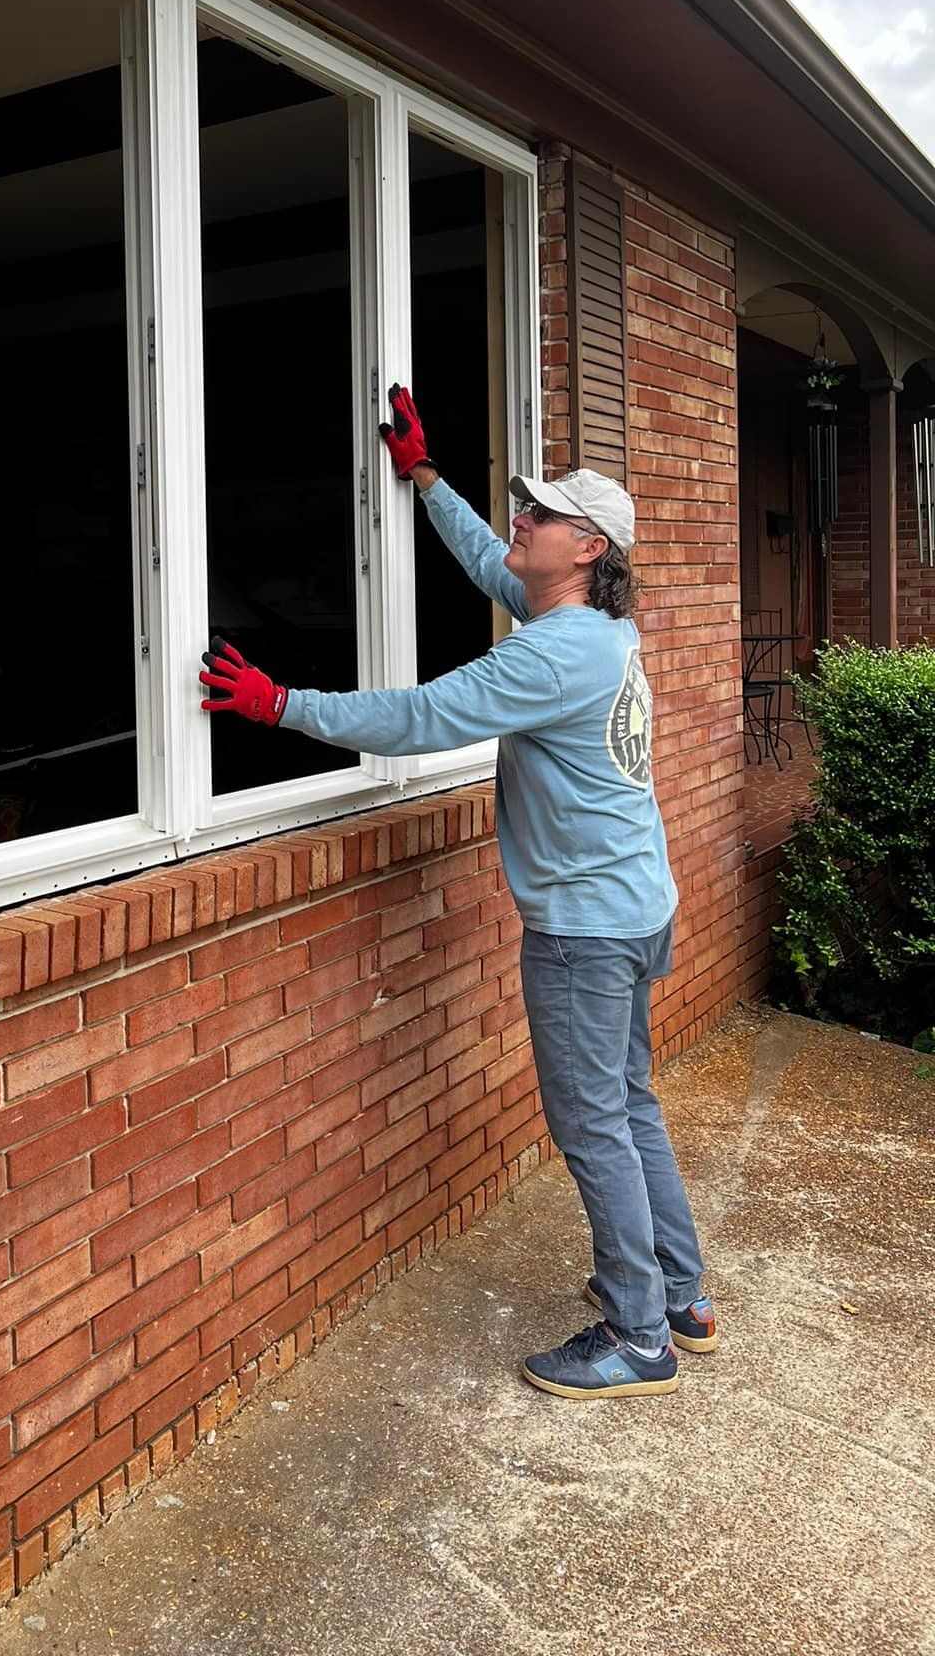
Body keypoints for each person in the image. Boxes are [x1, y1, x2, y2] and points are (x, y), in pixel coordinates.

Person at [199, 384, 714, 1400]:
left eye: (542, 512)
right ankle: (683, 1293)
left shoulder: (552, 652)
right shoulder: (595, 628)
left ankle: (640, 1330)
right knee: (630, 1102)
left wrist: (278, 703)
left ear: (588, 550)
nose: (521, 517)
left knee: (593, 1121)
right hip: (635, 902)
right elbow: (492, 560)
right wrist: (427, 479)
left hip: (584, 926)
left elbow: (424, 715)